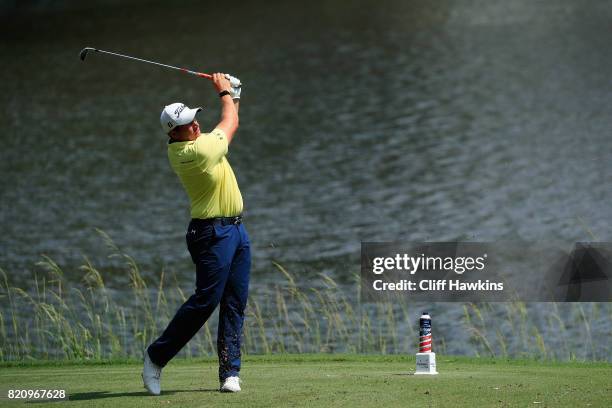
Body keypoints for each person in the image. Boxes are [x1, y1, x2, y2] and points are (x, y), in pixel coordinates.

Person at [142, 73, 250, 395]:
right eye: (188, 123)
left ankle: (230, 373)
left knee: (234, 302)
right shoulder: (194, 152)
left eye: (194, 119)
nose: (195, 124)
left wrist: (236, 93)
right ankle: (155, 356)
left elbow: (232, 118)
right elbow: (230, 122)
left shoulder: (198, 143)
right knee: (206, 300)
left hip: (236, 230)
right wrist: (224, 92)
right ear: (175, 134)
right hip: (211, 233)